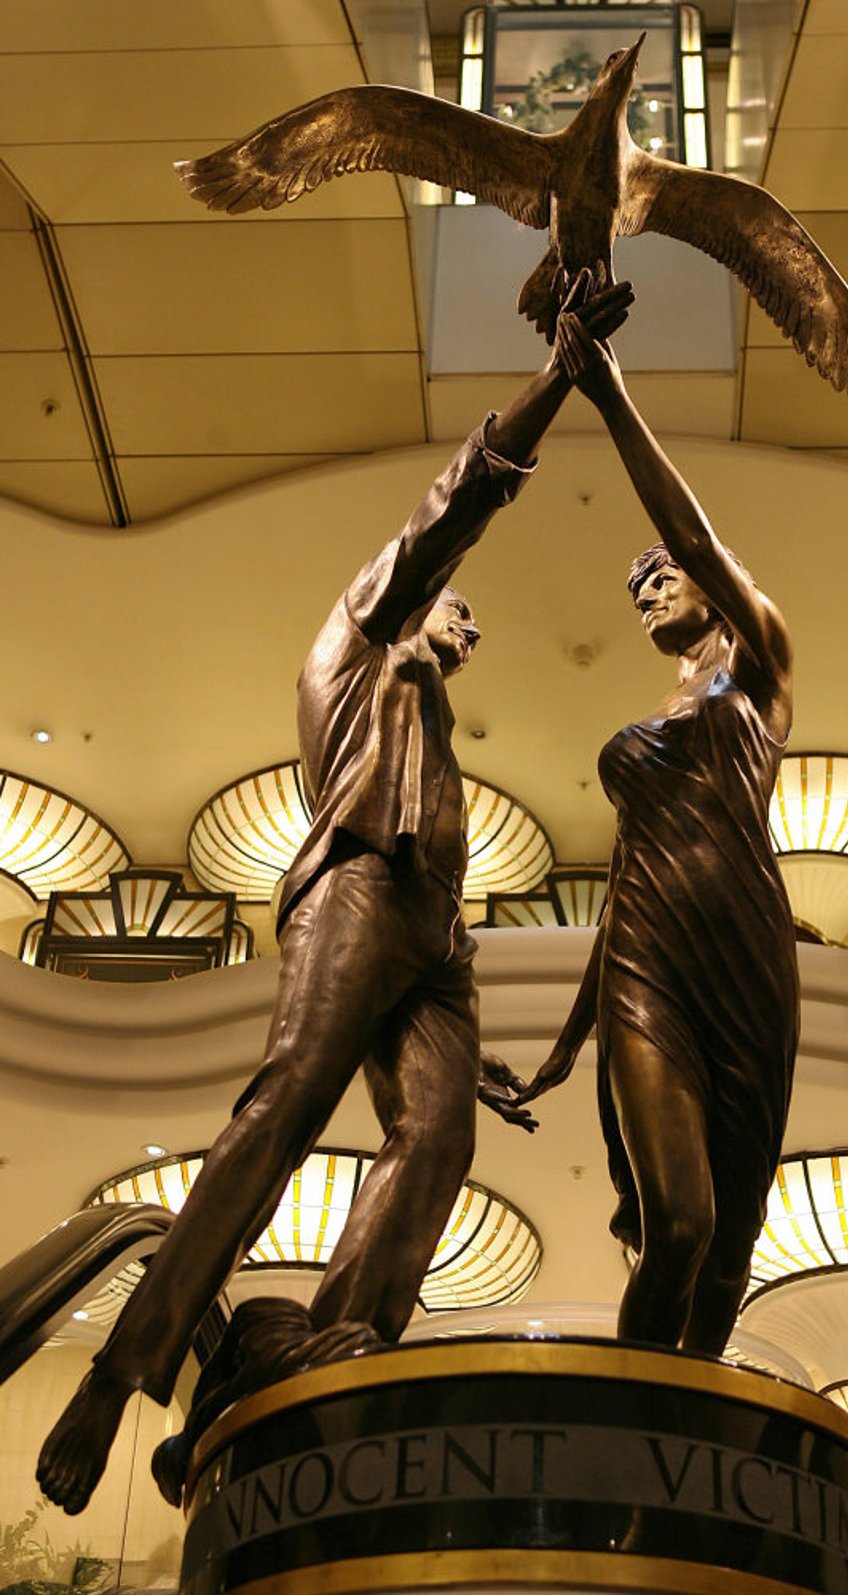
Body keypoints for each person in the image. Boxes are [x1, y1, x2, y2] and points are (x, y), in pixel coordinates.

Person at [37, 278, 633, 1516]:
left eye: (470, 627)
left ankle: (326, 1354)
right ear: (410, 602)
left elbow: (439, 883)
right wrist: (558, 380)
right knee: (288, 1100)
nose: (465, 628)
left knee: (439, 1138)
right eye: (455, 611)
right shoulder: (357, 644)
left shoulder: (435, 730)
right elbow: (453, 505)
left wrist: (459, 1043)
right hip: (356, 882)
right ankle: (118, 1370)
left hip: (434, 937)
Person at [517, 306, 799, 1356]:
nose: (644, 592)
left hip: (744, 948)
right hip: (646, 955)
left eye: (659, 579)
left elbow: (691, 532)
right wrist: (560, 1048)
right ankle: (633, 1436)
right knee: (678, 1222)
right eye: (635, 590)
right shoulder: (658, 720)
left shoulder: (759, 662)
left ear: (714, 590)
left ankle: (697, 1427)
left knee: (730, 1239)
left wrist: (608, 391)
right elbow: (623, 887)